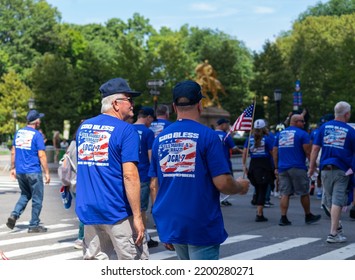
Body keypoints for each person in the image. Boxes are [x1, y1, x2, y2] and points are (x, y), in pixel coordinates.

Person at [149, 80, 249, 260]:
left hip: (172, 221)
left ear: (174, 106)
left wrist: (165, 226)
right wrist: (241, 186)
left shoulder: (160, 139)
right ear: (200, 105)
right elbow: (223, 183)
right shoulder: (208, 136)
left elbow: (155, 185)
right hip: (200, 221)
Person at [75, 77, 148, 260]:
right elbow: (130, 176)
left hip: (90, 211)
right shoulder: (126, 130)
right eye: (129, 100)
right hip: (118, 212)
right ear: (116, 103)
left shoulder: (84, 128)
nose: (133, 104)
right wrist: (138, 217)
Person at [309, 101, 355, 243]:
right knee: (337, 201)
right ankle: (333, 233)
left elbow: (315, 149)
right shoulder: (351, 131)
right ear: (347, 114)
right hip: (342, 170)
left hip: (325, 168)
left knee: (329, 200)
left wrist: (311, 167)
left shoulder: (324, 127)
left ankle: (337, 225)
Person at [6, 109, 50, 233]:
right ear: (36, 122)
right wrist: (47, 172)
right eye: (39, 119)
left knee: (25, 194)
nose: (40, 121)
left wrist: (13, 168)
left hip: (20, 171)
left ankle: (14, 214)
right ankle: (34, 225)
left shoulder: (18, 133)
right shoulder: (37, 135)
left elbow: (13, 151)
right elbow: (41, 155)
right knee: (37, 198)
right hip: (33, 171)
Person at [273, 114, 321, 226]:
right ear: (295, 121)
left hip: (283, 168)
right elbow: (308, 152)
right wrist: (312, 166)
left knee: (285, 193)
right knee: (304, 192)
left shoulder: (280, 134)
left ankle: (283, 217)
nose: (304, 123)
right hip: (297, 167)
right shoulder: (303, 134)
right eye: (302, 121)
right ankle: (308, 215)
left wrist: (276, 167)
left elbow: (275, 152)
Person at [133, 106, 159, 248]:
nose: (151, 123)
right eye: (151, 120)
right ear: (148, 117)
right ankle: (144, 237)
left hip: (129, 174)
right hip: (143, 174)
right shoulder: (148, 132)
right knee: (141, 208)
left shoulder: (127, 128)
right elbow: (151, 155)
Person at [242, 119, 274, 222]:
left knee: (258, 187)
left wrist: (244, 165)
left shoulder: (249, 139)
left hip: (253, 165)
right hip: (264, 165)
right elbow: (272, 152)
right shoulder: (267, 139)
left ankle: (257, 203)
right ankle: (259, 213)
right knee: (262, 189)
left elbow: (245, 152)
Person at [214, 118, 243, 206]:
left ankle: (217, 198)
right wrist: (243, 151)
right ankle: (223, 199)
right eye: (227, 124)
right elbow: (234, 148)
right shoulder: (226, 135)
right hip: (225, 161)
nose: (228, 126)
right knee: (227, 180)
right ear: (222, 124)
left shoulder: (211, 134)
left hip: (213, 162)